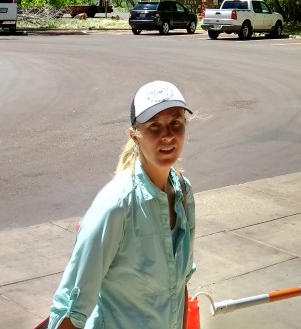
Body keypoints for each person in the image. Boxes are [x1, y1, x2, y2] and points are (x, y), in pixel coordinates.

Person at [47, 80, 195, 329]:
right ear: (135, 135)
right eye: (154, 125)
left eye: (175, 123)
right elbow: (71, 310)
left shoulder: (183, 191)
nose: (167, 135)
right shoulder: (116, 206)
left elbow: (179, 287)